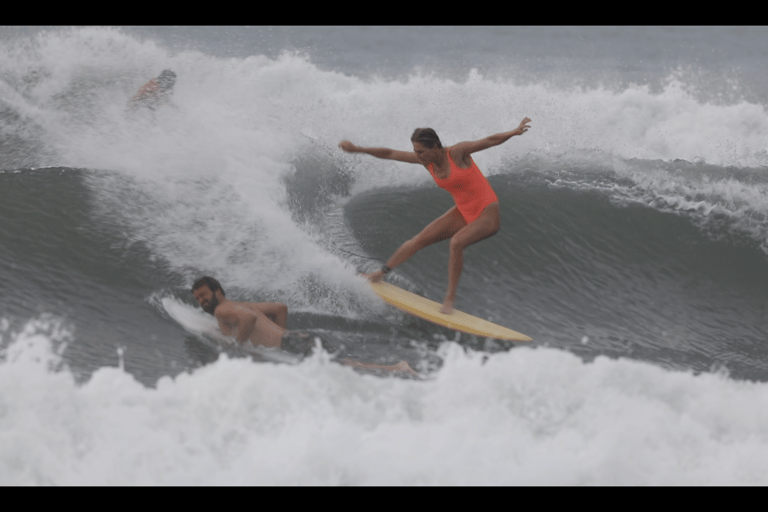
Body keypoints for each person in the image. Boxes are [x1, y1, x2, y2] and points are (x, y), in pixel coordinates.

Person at [338, 117, 532, 314]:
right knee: (419, 240)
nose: (418, 156)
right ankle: (379, 274)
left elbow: (489, 140)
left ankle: (449, 299)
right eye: (415, 152)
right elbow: (390, 153)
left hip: (487, 212)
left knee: (456, 243)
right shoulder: (427, 162)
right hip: (463, 210)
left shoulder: (456, 153)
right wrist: (358, 149)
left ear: (435, 147)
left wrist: (513, 132)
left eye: (421, 151)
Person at [191, 276, 418, 376]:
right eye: (198, 299)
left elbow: (247, 321)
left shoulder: (222, 311)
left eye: (204, 295)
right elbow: (280, 308)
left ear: (218, 291)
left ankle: (397, 368)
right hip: (297, 338)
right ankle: (396, 368)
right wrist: (283, 334)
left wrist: (237, 345)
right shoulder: (242, 305)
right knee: (344, 364)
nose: (202, 301)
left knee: (346, 367)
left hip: (293, 343)